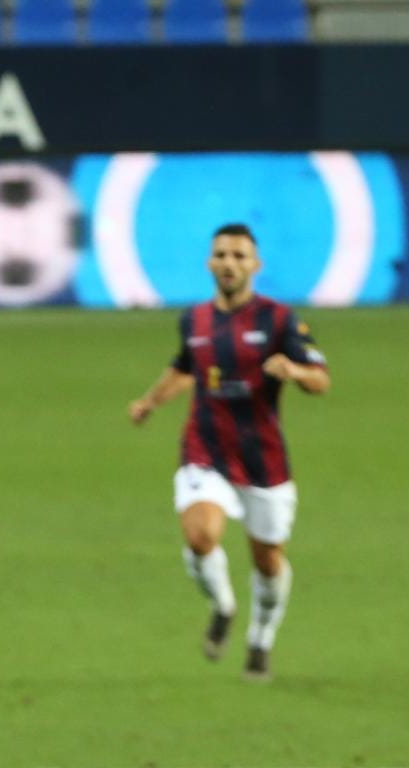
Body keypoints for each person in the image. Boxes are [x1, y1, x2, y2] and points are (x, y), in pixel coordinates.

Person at [127, 223, 331, 681]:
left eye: (239, 256)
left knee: (267, 559)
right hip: (206, 446)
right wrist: (150, 401)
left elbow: (322, 380)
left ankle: (261, 636)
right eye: (221, 254)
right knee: (200, 536)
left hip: (263, 457)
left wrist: (295, 371)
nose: (229, 263)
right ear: (209, 263)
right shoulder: (194, 320)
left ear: (255, 265)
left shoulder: (279, 319)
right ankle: (222, 605)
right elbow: (186, 368)